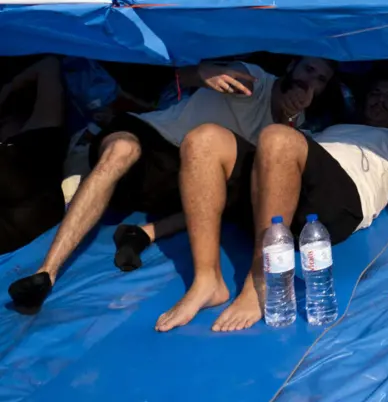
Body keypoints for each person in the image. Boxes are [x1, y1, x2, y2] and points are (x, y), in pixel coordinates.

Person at [7, 57, 335, 313]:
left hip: (181, 175)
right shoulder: (253, 78)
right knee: (123, 149)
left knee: (224, 194)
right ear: (292, 66)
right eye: (308, 69)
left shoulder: (294, 125)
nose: (310, 81)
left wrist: (288, 119)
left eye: (320, 79)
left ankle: (145, 233)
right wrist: (201, 73)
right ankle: (46, 272)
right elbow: (187, 77)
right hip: (150, 139)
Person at [158, 76, 388, 333]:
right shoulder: (333, 128)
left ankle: (261, 280)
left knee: (278, 138)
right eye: (376, 93)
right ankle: (207, 281)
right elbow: (275, 157)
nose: (380, 99)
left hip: (337, 202)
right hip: (279, 195)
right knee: (203, 138)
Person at [0, 57, 69, 254]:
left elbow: (50, 63)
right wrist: (10, 88)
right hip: (37, 221)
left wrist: (8, 89)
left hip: (29, 210)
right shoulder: (44, 132)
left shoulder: (38, 133)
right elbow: (49, 64)